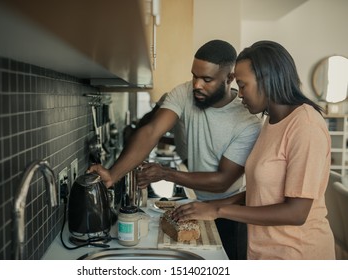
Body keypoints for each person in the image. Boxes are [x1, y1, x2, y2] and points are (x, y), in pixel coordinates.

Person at [89, 40, 262, 259]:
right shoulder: (184, 93)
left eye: (207, 79)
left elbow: (222, 181)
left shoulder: (247, 123)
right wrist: (113, 175)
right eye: (194, 76)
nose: (197, 85)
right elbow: (152, 130)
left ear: (229, 79)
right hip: (196, 204)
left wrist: (166, 173)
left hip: (229, 211)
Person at [172, 40, 335, 260]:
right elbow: (264, 192)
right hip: (265, 252)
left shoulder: (305, 126)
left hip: (298, 255)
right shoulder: (272, 121)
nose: (239, 94)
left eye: (242, 85)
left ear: (266, 81)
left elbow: (296, 212)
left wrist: (218, 211)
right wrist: (212, 205)